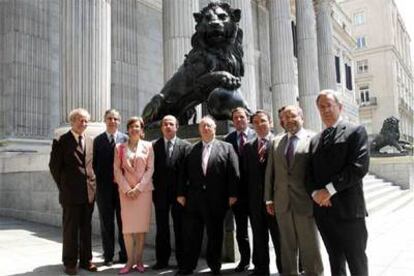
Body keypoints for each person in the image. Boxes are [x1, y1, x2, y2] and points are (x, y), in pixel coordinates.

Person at [307, 90, 369, 276]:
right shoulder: (315, 140)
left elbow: (358, 167)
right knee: (335, 262)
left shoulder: (355, 131)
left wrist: (328, 190)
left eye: (329, 105)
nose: (325, 110)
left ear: (339, 107)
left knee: (356, 261)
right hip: (324, 213)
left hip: (349, 211)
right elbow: (309, 174)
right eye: (321, 107)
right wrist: (315, 194)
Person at [176, 116, 239, 275]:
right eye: (203, 126)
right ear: (199, 129)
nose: (205, 129)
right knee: (192, 235)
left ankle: (214, 266)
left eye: (209, 126)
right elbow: (183, 175)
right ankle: (188, 266)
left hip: (217, 200)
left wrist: (233, 195)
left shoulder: (227, 148)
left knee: (215, 235)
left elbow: (234, 173)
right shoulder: (191, 149)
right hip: (194, 201)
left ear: (214, 128)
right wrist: (181, 194)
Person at [264, 105, 323, 276]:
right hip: (282, 202)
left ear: (302, 117)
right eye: (285, 117)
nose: (289, 120)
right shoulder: (276, 142)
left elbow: (318, 171)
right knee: (287, 246)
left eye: (293, 116)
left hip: (306, 202)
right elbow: (270, 172)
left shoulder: (313, 138)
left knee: (309, 245)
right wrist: (269, 199)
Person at [49, 108, 97, 275]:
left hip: (88, 193)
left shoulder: (90, 141)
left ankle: (86, 260)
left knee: (86, 228)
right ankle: (70, 262)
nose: (83, 123)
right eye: (80, 120)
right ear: (72, 121)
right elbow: (54, 167)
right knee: (71, 230)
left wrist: (93, 184)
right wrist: (64, 186)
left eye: (86, 121)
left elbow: (92, 166)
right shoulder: (61, 141)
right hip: (70, 194)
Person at [243, 110, 282, 275]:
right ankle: (261, 269)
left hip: (276, 201)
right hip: (255, 202)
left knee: (279, 238)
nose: (259, 125)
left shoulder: (279, 143)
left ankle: (284, 268)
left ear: (271, 123)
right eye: (256, 122)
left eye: (263, 121)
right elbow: (245, 175)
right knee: (259, 238)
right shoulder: (248, 146)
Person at [114, 116, 154, 274]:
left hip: (143, 192)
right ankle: (129, 262)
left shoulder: (149, 146)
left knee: (140, 229)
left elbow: (150, 169)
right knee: (128, 229)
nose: (134, 129)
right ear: (128, 129)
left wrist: (138, 188)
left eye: (137, 126)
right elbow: (116, 170)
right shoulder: (119, 147)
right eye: (131, 126)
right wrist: (126, 188)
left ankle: (139, 260)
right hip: (126, 193)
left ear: (142, 130)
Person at [152, 115, 191, 270]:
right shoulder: (154, 146)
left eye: (171, 124)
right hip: (160, 195)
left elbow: (187, 173)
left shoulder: (186, 146)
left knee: (180, 228)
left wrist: (183, 194)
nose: (168, 126)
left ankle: (182, 261)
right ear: (162, 127)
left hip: (179, 195)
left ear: (177, 127)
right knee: (161, 229)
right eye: (165, 124)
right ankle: (162, 260)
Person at [93, 109, 128, 266]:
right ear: (105, 120)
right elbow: (94, 164)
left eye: (115, 118)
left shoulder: (125, 139)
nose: (112, 121)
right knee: (106, 224)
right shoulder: (98, 140)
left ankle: (124, 254)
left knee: (123, 223)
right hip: (104, 190)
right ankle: (108, 256)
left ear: (119, 121)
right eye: (109, 118)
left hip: (121, 189)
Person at [224, 107, 255, 272]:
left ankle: (260, 260)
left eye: (241, 117)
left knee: (258, 229)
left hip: (255, 193)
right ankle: (244, 260)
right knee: (241, 230)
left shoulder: (256, 136)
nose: (238, 120)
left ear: (247, 119)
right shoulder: (228, 139)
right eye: (235, 118)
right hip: (237, 195)